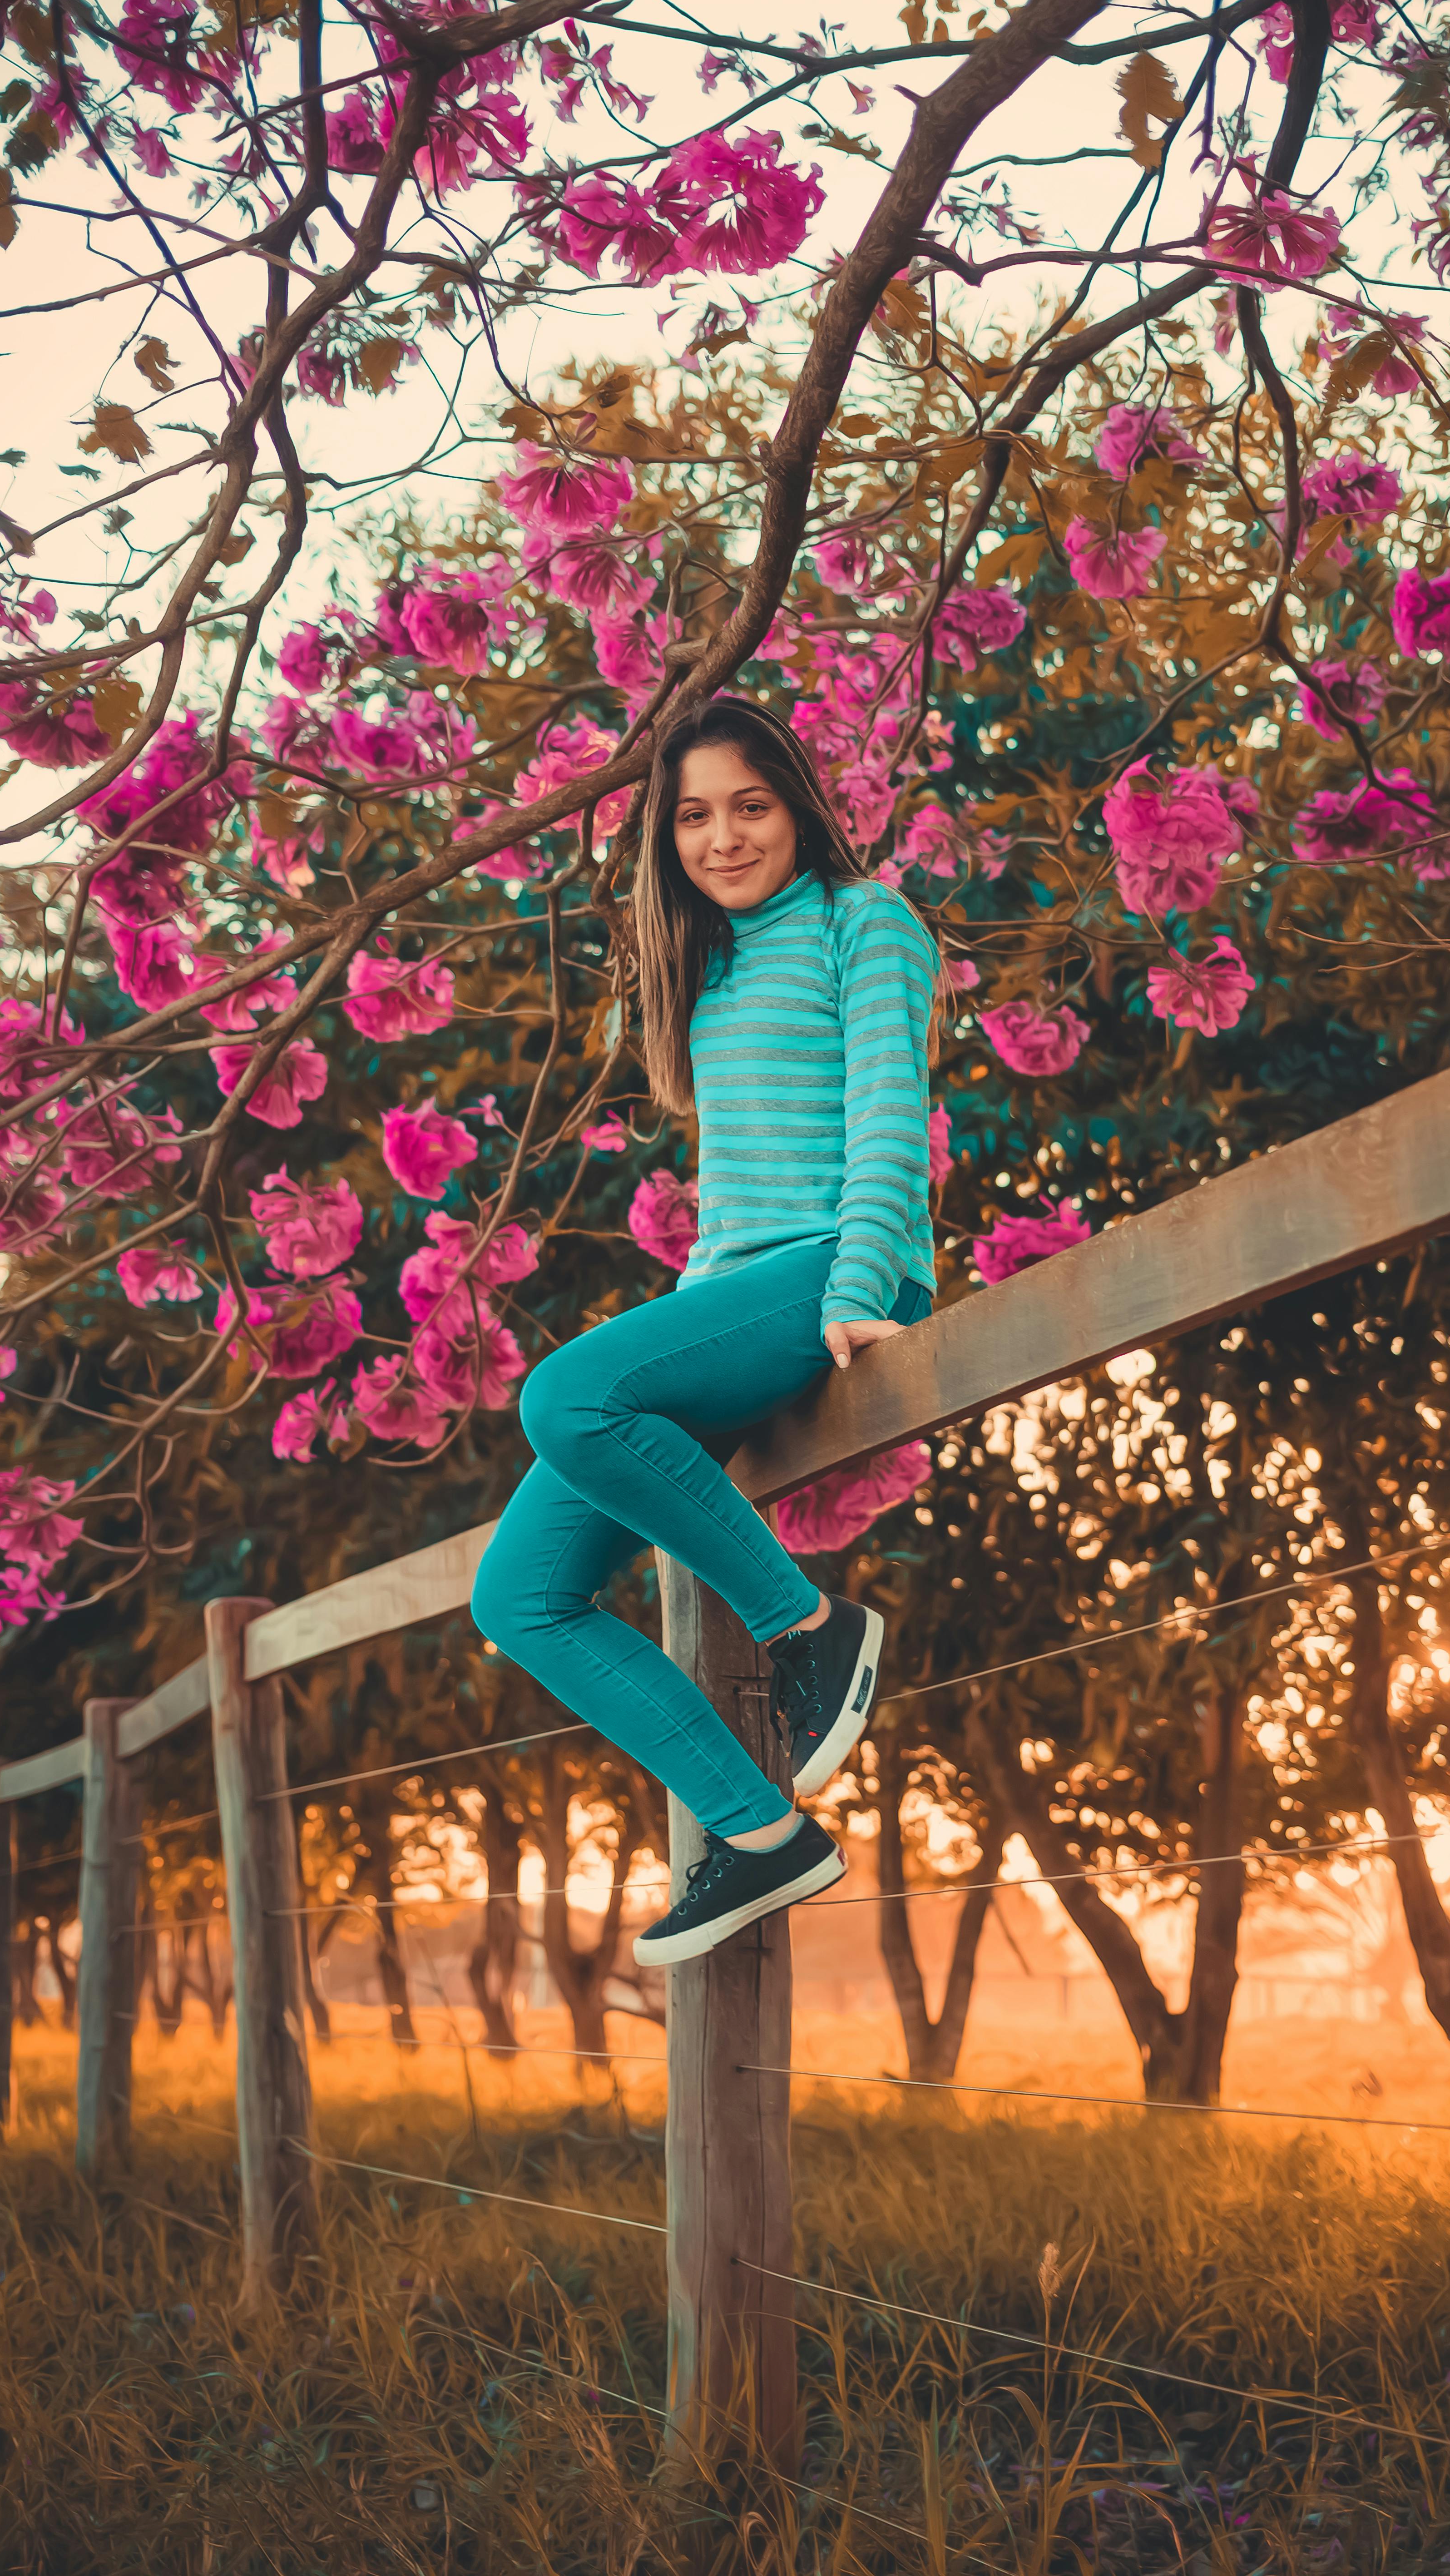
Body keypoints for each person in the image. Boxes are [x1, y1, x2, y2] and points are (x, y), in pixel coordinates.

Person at [470, 694, 937, 1968]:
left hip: (834, 1277)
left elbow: (888, 1111)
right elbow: (735, 1188)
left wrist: (858, 1282)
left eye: (750, 806)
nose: (723, 838)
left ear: (796, 807)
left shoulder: (866, 923)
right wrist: (696, 1324)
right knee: (520, 1595)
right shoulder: (707, 967)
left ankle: (811, 1634)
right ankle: (761, 1833)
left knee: (563, 1398)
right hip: (730, 1297)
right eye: (693, 817)